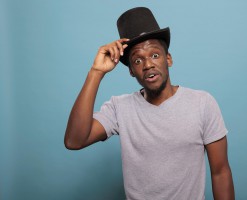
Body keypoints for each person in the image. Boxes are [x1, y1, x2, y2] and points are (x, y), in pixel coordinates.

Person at [64, 7, 235, 200]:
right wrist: (96, 72)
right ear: (131, 71)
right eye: (137, 60)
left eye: (155, 55)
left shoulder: (202, 103)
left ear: (168, 59)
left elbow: (220, 172)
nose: (147, 65)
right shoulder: (119, 108)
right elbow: (74, 141)